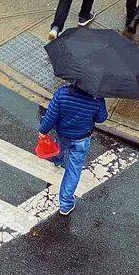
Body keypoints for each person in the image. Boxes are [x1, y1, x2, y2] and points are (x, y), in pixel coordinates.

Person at [38, 81, 107, 215]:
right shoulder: (96, 99)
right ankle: (65, 204)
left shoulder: (62, 93)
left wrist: (43, 131)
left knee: (60, 148)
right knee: (73, 170)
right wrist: (101, 100)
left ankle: (57, 160)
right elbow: (101, 118)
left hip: (63, 133)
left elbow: (51, 115)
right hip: (81, 138)